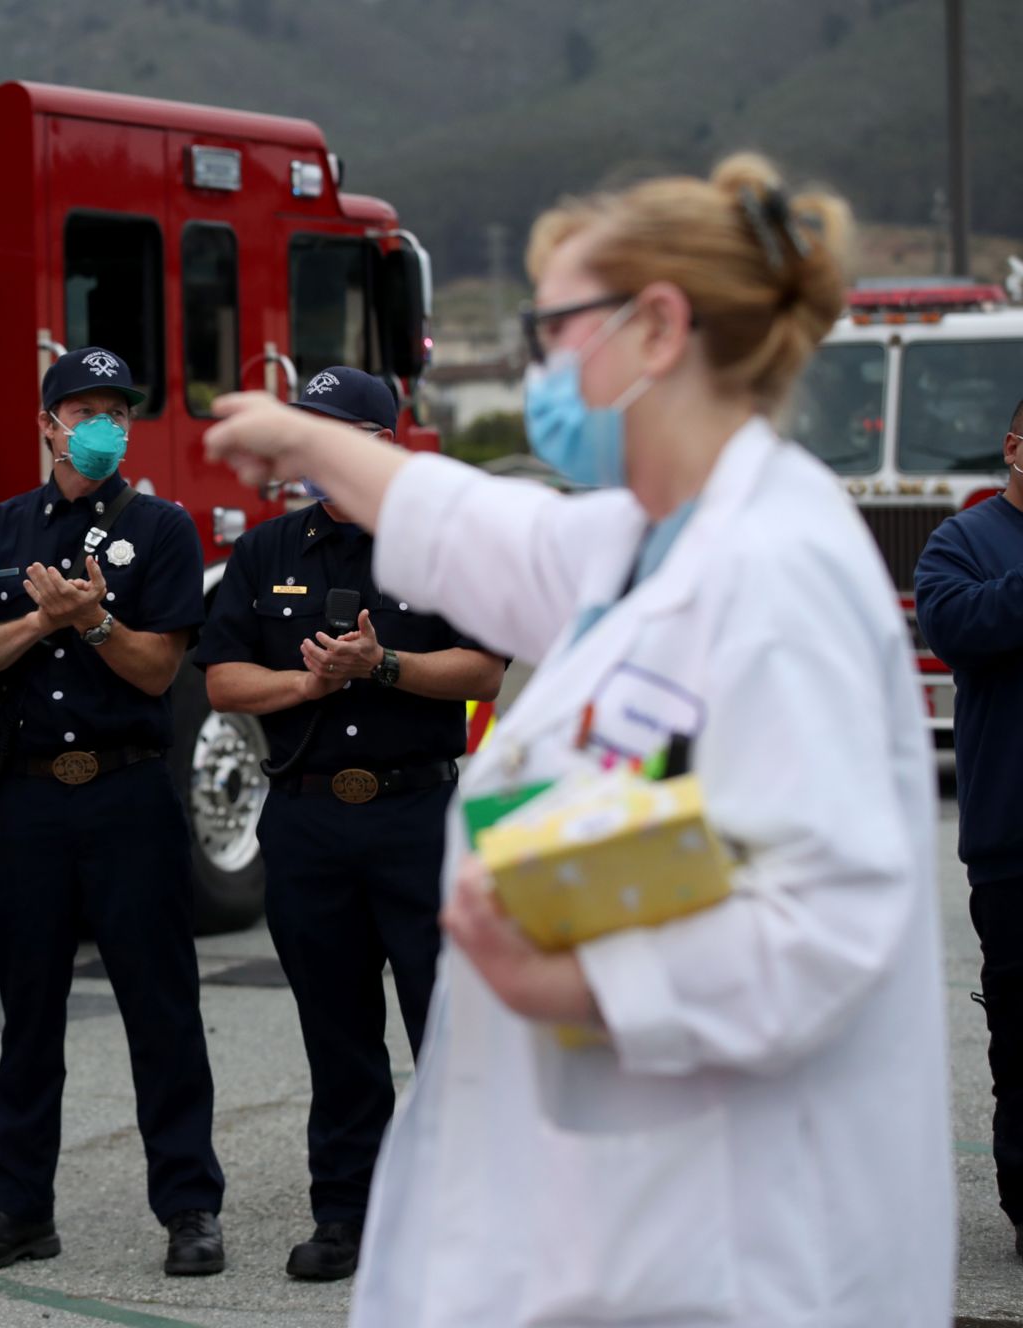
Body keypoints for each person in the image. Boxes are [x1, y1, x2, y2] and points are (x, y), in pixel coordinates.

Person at [201, 156, 953, 1325]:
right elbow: (483, 531)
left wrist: (571, 977)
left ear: (655, 328)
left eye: (551, 331)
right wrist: (303, 442)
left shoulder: (774, 573)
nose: (539, 370)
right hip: (615, 1225)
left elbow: (820, 924)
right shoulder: (645, 542)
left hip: (725, 1253)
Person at [195, 366, 503, 1281]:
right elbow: (220, 680)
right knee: (336, 1034)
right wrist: (308, 683)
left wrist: (383, 667)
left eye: (334, 432)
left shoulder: (440, 548)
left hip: (416, 814)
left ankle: (464, 1219)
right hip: (310, 821)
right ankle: (348, 1214)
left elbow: (484, 669)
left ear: (382, 441)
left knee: (445, 1028)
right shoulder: (266, 550)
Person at [0, 346, 226, 1278]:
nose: (102, 425)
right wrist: (42, 622)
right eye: (83, 409)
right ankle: (18, 1209)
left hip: (128, 792)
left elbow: (156, 668)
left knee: (161, 1005)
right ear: (46, 423)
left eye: (115, 410)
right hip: (25, 800)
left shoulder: (164, 528)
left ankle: (188, 1208)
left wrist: (95, 621)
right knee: (29, 1013)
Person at [916, 407, 1023, 1257]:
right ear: (1016, 449)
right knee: (1022, 1045)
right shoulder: (963, 542)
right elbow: (953, 627)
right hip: (1012, 843)